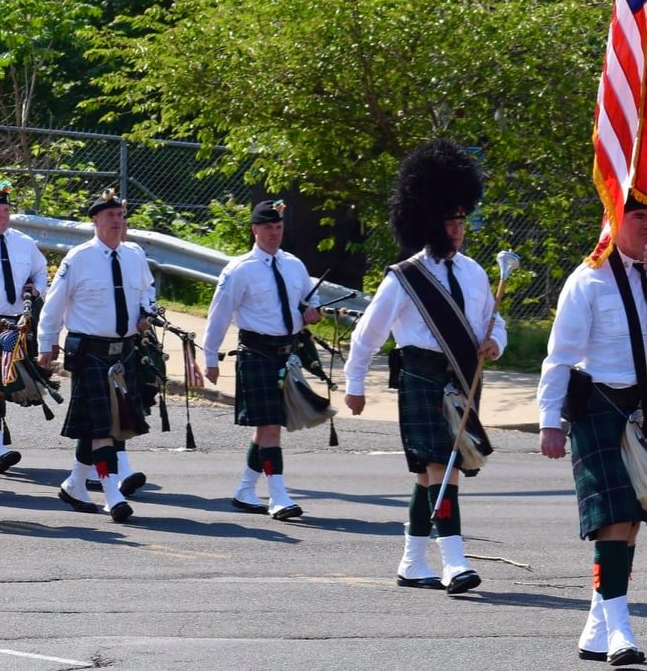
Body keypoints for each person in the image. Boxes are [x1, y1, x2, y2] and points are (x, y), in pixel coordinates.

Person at [537, 196, 647, 667]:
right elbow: (560, 356)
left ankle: (599, 624)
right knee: (613, 519)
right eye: (638, 216)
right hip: (601, 406)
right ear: (615, 220)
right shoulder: (588, 279)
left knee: (633, 519)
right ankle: (620, 630)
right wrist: (549, 420)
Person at [343, 140, 504, 596]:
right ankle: (454, 561)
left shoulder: (474, 272)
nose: (458, 230)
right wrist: (355, 383)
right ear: (430, 221)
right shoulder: (405, 277)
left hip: (462, 378)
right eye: (450, 221)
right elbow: (367, 333)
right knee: (442, 467)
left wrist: (496, 341)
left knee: (428, 473)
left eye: (462, 221)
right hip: (421, 374)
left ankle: (413, 561)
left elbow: (494, 320)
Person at [37, 190, 159, 522]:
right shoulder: (78, 258)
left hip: (125, 353)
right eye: (109, 216)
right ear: (95, 221)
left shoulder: (134, 255)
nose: (117, 221)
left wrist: (145, 311)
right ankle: (112, 493)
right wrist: (47, 344)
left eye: (120, 215)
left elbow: (147, 290)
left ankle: (74, 484)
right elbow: (54, 304)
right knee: (104, 429)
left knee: (104, 427)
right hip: (90, 353)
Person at [200, 199, 326, 520]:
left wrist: (313, 312)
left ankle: (245, 490)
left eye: (278, 227)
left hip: (288, 354)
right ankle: (278, 497)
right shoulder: (239, 270)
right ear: (254, 230)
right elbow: (219, 315)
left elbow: (311, 301)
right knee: (271, 427)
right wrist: (210, 357)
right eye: (267, 227)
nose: (274, 233)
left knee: (267, 428)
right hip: (256, 353)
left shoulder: (294, 265)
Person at [0, 183, 49, 473]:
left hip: (16, 323)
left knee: (5, 383)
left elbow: (40, 270)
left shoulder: (24, 242)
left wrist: (37, 290)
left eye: (6, 210)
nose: (3, 215)